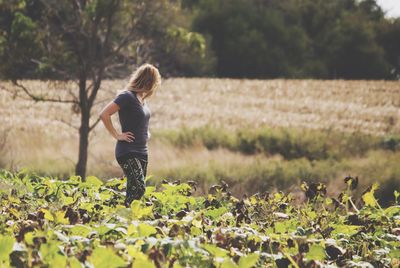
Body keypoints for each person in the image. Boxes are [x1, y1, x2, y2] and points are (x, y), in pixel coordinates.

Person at [99, 63, 161, 207]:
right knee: (139, 188)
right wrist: (117, 135)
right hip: (127, 151)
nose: (153, 86)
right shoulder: (127, 96)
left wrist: (146, 133)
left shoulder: (142, 100)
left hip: (142, 151)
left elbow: (140, 121)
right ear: (146, 80)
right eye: (153, 82)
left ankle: (126, 219)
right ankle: (123, 214)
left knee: (134, 192)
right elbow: (104, 114)